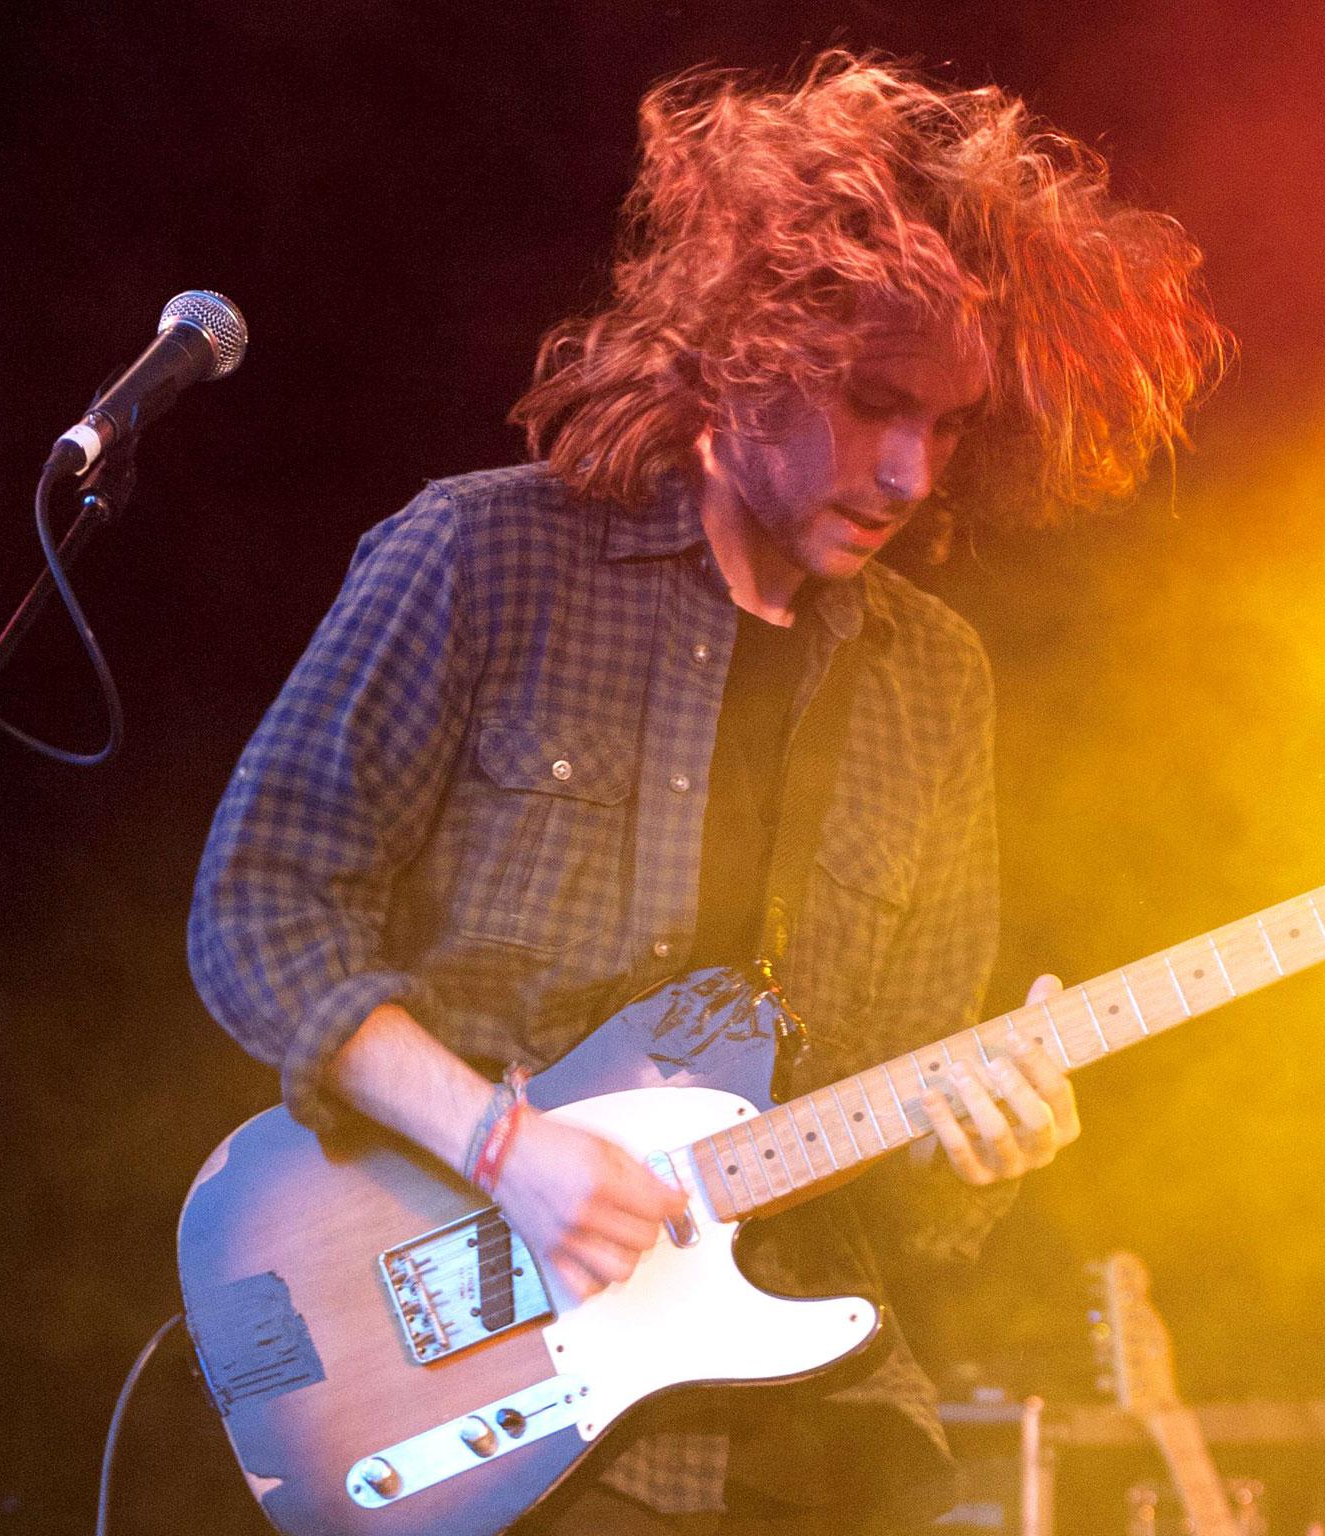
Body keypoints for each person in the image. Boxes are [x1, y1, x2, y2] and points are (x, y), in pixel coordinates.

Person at [187, 50, 1225, 1535]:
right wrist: (506, 1147)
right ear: (744, 342)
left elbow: (912, 1170)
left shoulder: (935, 684)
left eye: (949, 426)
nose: (914, 471)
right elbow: (256, 906)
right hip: (514, 1422)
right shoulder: (484, 560)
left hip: (827, 1433)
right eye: (877, 404)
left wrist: (985, 1141)